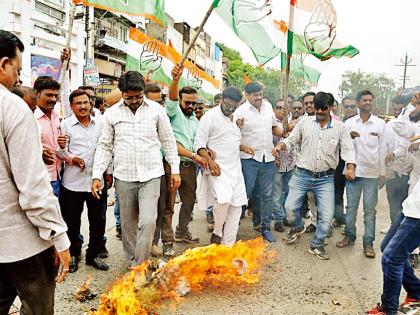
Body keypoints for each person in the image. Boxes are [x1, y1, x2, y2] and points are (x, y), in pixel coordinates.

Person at [0, 29, 70, 315]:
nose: (18, 78)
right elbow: (32, 186)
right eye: (16, 69)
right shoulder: (12, 107)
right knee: (37, 307)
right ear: (4, 64)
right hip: (22, 244)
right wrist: (59, 237)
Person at [91, 71, 181, 266]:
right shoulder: (112, 114)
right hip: (124, 176)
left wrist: (175, 169)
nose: (134, 101)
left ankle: (140, 263)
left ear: (143, 91)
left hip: (152, 174)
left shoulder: (157, 110)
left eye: (138, 96)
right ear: (122, 93)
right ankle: (133, 261)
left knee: (148, 221)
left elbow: (168, 141)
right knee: (128, 224)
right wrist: (97, 175)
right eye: (129, 97)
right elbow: (105, 145)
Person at [273, 92, 356, 260]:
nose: (319, 113)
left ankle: (317, 244)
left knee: (326, 217)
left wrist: (351, 167)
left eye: (323, 109)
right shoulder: (304, 122)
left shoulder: (340, 128)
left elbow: (348, 149)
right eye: (316, 109)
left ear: (331, 108)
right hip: (302, 174)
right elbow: (291, 140)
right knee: (289, 208)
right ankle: (297, 226)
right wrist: (280, 145)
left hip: (325, 179)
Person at [58, 89, 111, 272]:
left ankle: (93, 255)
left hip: (96, 182)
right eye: (78, 103)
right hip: (72, 183)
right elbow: (60, 152)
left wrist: (108, 172)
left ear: (91, 103)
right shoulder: (65, 126)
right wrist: (72, 158)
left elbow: (107, 149)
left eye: (85, 102)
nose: (82, 106)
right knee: (71, 221)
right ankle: (74, 254)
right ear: (72, 106)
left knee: (98, 220)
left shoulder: (101, 124)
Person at [194, 86, 247, 244]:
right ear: (222, 100)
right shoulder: (209, 117)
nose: (230, 109)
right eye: (228, 105)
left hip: (236, 168)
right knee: (223, 201)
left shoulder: (235, 116)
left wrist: (244, 147)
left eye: (234, 106)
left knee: (236, 206)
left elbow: (231, 141)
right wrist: (210, 161)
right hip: (218, 168)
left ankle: (227, 246)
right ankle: (217, 232)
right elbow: (199, 144)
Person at [337, 90, 386, 259]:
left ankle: (368, 243)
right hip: (353, 174)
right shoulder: (349, 124)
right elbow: (344, 148)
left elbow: (382, 150)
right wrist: (349, 167)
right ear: (358, 103)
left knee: (370, 211)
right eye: (364, 100)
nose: (367, 102)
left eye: (370, 100)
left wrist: (382, 173)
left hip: (372, 175)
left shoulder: (380, 124)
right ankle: (350, 236)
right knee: (350, 208)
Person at [233, 81, 282, 243]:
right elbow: (232, 135)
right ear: (247, 95)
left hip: (267, 157)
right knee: (246, 193)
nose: (259, 98)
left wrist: (286, 131)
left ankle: (265, 227)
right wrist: (238, 130)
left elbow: (275, 128)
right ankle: (231, 227)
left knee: (266, 195)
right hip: (249, 160)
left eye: (261, 94)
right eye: (256, 95)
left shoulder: (268, 107)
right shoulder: (239, 112)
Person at [166, 64, 207, 246]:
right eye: (187, 102)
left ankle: (181, 231)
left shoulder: (195, 120)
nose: (190, 106)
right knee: (168, 206)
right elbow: (172, 97)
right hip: (173, 166)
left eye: (193, 103)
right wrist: (175, 80)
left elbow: (198, 144)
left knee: (189, 202)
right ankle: (165, 240)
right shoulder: (173, 114)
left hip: (190, 168)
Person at [366, 179, 420, 315]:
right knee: (387, 248)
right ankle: (416, 293)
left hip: (418, 214)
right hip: (411, 206)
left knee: (391, 259)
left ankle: (388, 309)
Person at [382, 99, 412, 232]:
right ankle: (394, 228)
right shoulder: (389, 126)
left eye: (401, 110)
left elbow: (406, 147)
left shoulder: (414, 127)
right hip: (392, 171)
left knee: (407, 204)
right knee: (393, 202)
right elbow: (384, 147)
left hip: (409, 173)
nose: (397, 112)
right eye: (395, 109)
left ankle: (404, 231)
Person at [33, 76, 62, 197]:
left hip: (60, 176)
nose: (53, 99)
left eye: (55, 96)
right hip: (42, 180)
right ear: (37, 94)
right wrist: (40, 152)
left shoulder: (56, 117)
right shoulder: (31, 117)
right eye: (49, 95)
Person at [272, 98, 297, 232]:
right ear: (274, 109)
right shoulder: (271, 124)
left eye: (285, 107)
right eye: (279, 107)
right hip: (277, 165)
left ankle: (287, 217)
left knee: (289, 193)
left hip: (291, 164)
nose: (282, 110)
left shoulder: (295, 122)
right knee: (276, 195)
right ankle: (278, 219)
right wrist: (274, 157)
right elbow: (268, 142)